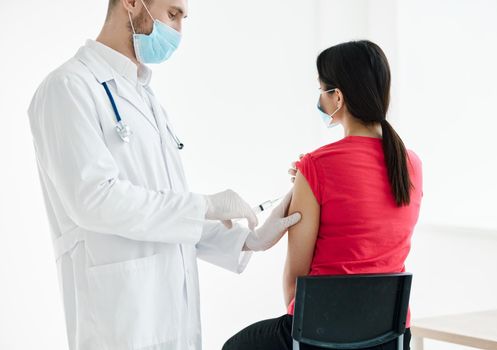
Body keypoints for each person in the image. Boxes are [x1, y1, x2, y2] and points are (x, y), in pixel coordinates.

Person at [27, 0, 301, 349]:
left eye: (183, 18)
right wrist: (203, 205)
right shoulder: (67, 87)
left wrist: (246, 240)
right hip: (120, 321)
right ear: (130, 2)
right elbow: (94, 200)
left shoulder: (144, 96)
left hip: (172, 319)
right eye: (172, 14)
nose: (178, 31)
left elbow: (162, 214)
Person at [223, 40, 423, 350]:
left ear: (338, 97)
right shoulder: (411, 164)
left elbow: (294, 286)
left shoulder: (316, 165)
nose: (320, 98)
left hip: (320, 334)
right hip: (390, 337)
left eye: (322, 90)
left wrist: (309, 177)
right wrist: (309, 178)